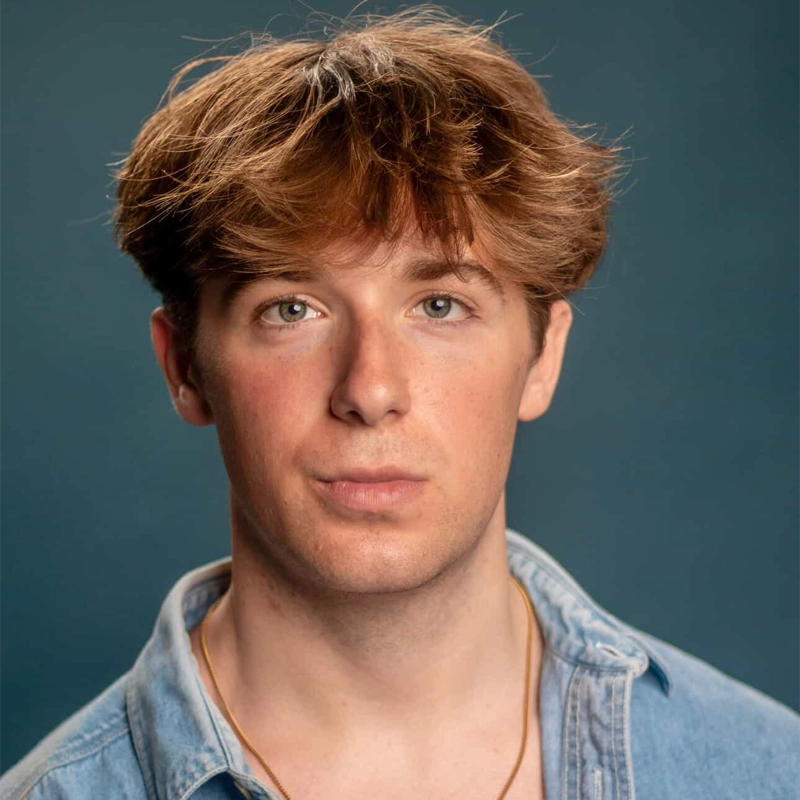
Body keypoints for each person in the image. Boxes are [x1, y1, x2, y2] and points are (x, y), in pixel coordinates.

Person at [1, 8, 797, 800]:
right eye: (291, 309)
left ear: (543, 358)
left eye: (441, 306)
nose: (370, 391)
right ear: (185, 367)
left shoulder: (768, 773)